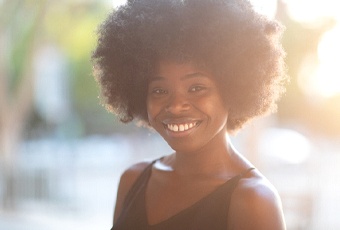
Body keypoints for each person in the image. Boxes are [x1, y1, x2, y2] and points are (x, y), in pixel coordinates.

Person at [92, 0, 287, 229]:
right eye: (159, 90)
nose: (175, 106)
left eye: (196, 88)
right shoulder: (133, 180)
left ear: (233, 88)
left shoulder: (253, 201)